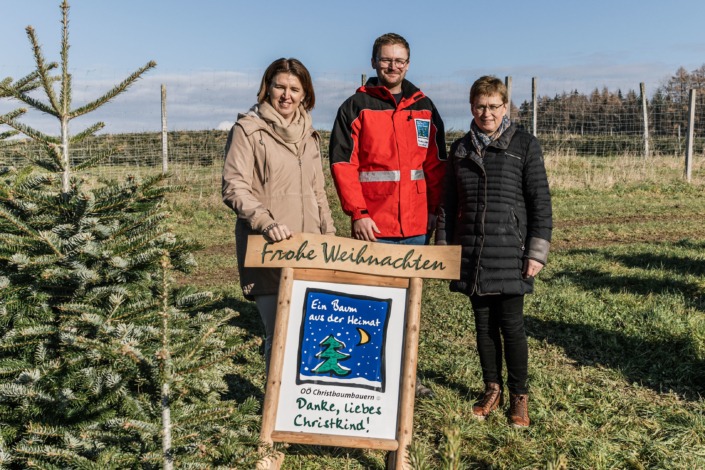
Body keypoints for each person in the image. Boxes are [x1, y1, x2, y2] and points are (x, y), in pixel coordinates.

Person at [329, 32, 446, 397]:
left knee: (410, 302)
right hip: (373, 226)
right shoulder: (355, 106)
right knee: (372, 303)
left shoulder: (424, 107)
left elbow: (436, 166)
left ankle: (408, 375)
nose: (392, 66)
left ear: (408, 64)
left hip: (415, 226)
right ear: (373, 63)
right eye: (385, 59)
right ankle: (369, 373)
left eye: (399, 60)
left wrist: (438, 214)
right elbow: (342, 164)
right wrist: (358, 213)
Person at [435, 76, 552, 428]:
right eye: (480, 106)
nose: (487, 112)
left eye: (494, 106)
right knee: (483, 325)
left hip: (511, 252)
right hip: (473, 251)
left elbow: (540, 203)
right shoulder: (460, 150)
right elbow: (447, 203)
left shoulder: (524, 145)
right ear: (472, 107)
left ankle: (519, 396)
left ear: (506, 107)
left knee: (512, 326)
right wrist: (444, 249)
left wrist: (536, 252)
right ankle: (492, 388)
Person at [222, 58, 336, 375]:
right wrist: (265, 222)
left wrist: (329, 238)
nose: (286, 95)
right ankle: (275, 413)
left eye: (294, 89)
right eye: (280, 87)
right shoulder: (248, 131)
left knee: (311, 331)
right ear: (267, 88)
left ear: (305, 94)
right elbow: (234, 186)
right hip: (269, 247)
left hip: (309, 248)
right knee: (279, 334)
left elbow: (318, 192)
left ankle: (306, 402)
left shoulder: (309, 136)